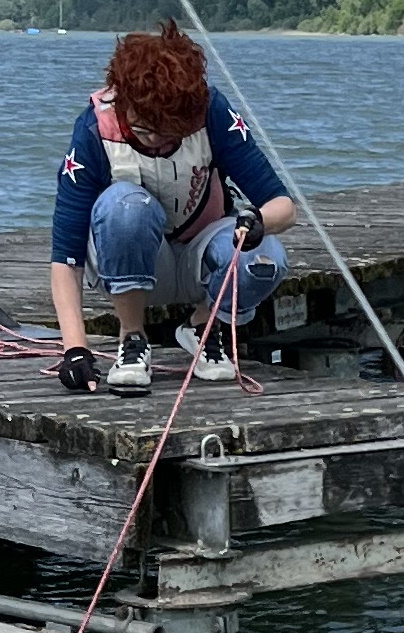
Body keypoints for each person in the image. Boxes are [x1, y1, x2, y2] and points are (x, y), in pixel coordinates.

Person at [49, 21, 296, 395]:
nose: (158, 140)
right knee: (125, 208)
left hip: (200, 253)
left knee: (265, 259)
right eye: (146, 129)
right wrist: (75, 349)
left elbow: (283, 206)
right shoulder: (93, 131)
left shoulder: (212, 113)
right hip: (129, 262)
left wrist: (258, 221)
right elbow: (66, 258)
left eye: (171, 132)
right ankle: (132, 338)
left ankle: (203, 327)